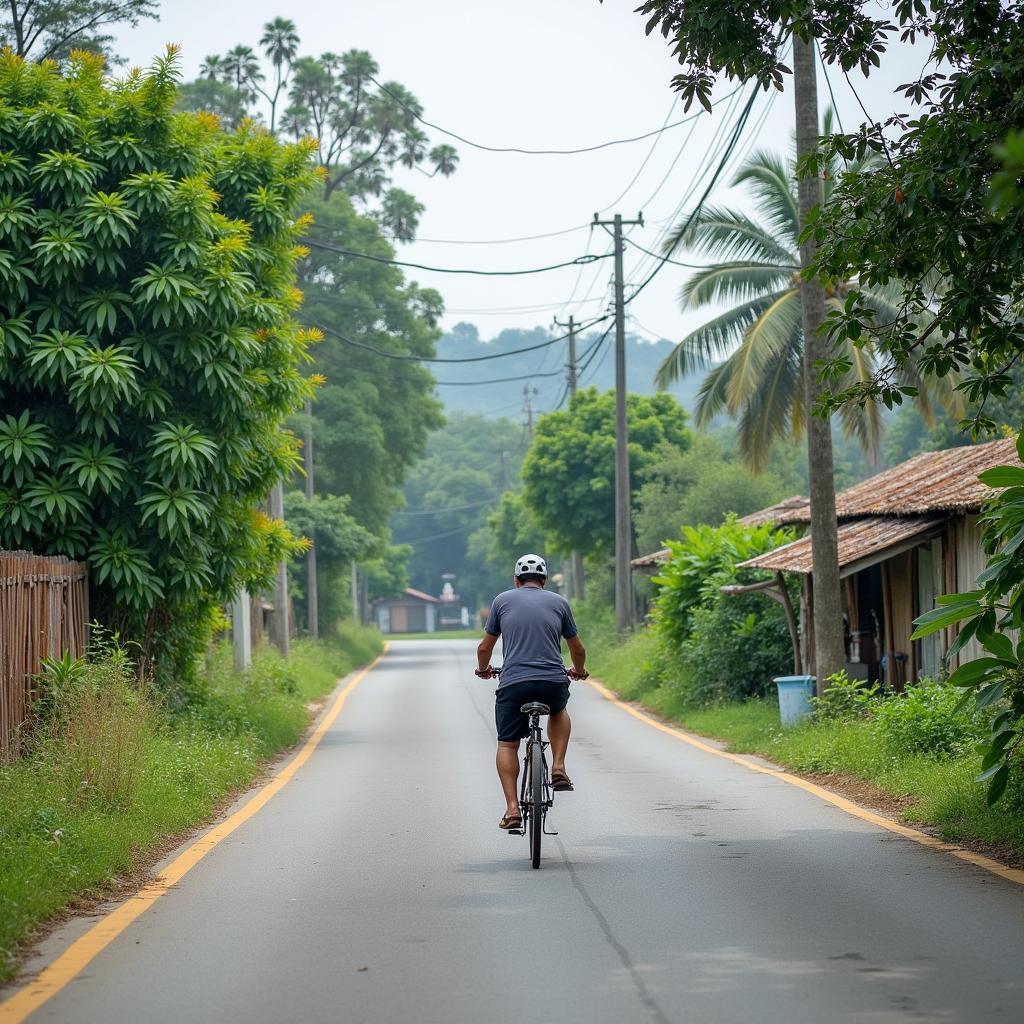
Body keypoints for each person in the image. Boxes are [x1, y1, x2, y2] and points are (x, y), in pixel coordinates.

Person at [475, 553, 587, 831]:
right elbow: (578, 649)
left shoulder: (501, 601)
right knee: (559, 709)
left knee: (507, 744)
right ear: (544, 581)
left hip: (513, 683)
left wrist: (484, 669)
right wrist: (579, 670)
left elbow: (484, 649)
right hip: (552, 681)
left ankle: (512, 809)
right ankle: (559, 766)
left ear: (516, 580)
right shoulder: (559, 603)